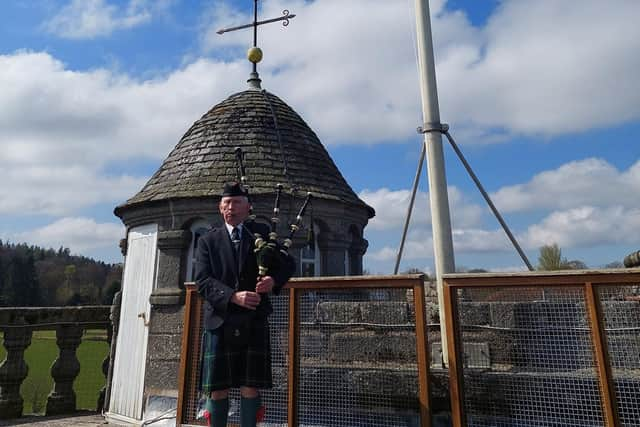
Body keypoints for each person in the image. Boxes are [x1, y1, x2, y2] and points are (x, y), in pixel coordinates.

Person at [196, 182, 295, 427]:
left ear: (248, 207)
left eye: (237, 202)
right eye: (227, 203)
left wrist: (273, 280)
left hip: (254, 319)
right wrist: (232, 296)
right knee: (218, 388)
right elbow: (203, 281)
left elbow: (287, 263)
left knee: (250, 386)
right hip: (221, 319)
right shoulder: (207, 240)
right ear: (220, 208)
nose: (231, 207)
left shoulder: (259, 234)